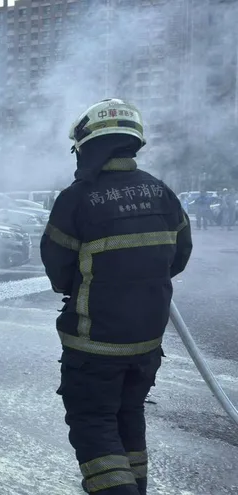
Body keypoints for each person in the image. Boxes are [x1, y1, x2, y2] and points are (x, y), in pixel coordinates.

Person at [39, 98, 192, 495]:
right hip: (146, 345)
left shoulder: (77, 198)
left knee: (94, 425)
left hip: (94, 346)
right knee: (128, 416)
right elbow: (178, 259)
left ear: (88, 147)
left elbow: (58, 271)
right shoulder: (163, 194)